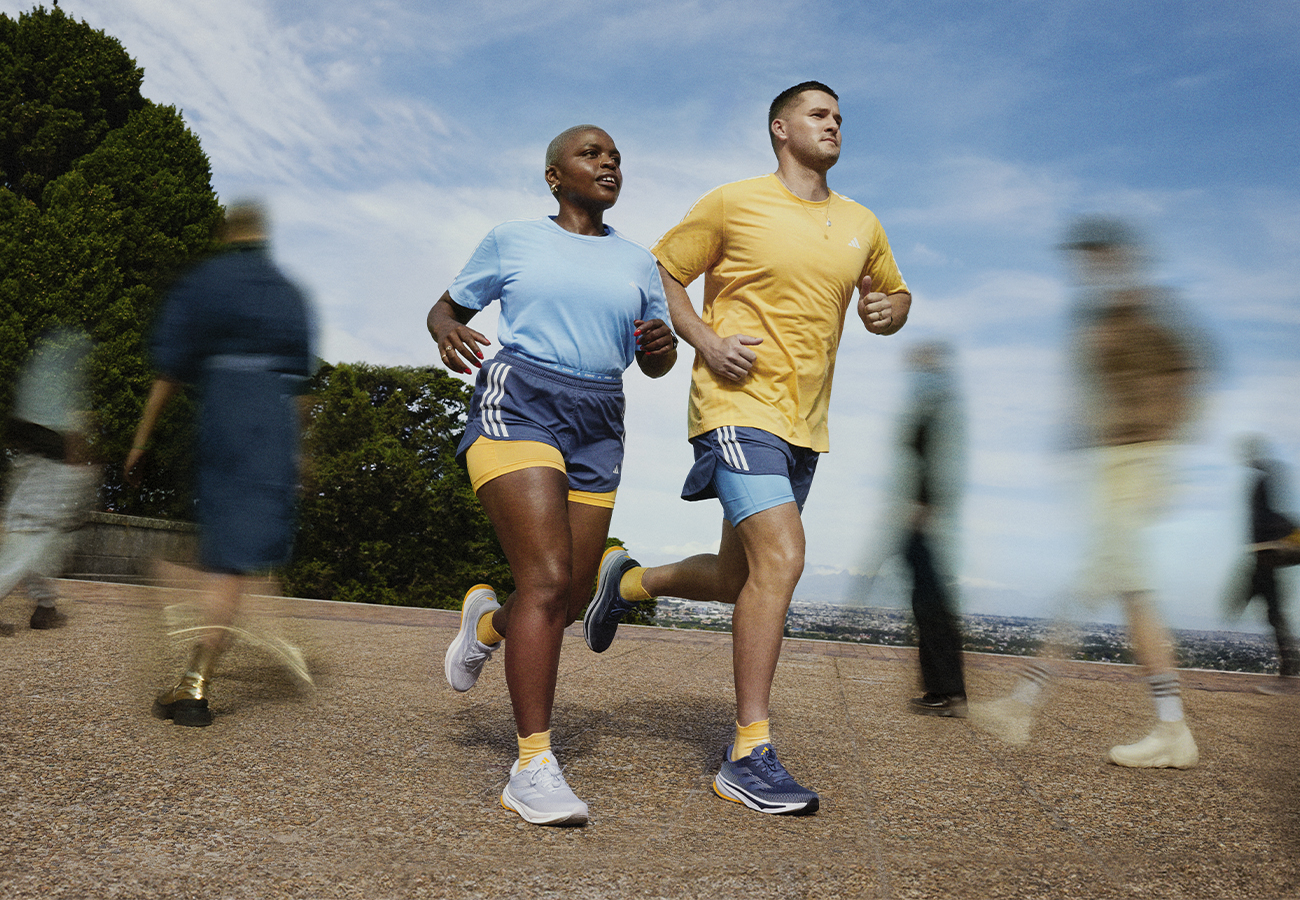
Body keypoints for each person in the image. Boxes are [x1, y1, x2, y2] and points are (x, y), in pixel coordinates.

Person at [582, 82, 911, 815]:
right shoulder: (734, 202)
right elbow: (661, 271)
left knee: (741, 575)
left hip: (806, 427)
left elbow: (892, 297)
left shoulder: (863, 223)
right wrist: (704, 340)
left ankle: (626, 583)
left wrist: (889, 312)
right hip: (736, 409)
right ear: (779, 128)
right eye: (818, 113)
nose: (833, 123)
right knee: (783, 557)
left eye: (837, 116)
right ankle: (748, 752)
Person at [429, 125, 676, 827]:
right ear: (553, 175)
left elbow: (654, 360)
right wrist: (445, 329)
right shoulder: (512, 238)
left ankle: (486, 628)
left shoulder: (638, 262)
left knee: (565, 596)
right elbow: (447, 306)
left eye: (616, 157)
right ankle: (532, 766)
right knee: (543, 579)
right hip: (522, 399)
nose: (608, 163)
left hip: (601, 417)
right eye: (591, 154)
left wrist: (661, 348)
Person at [974, 217, 1205, 768]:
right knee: (1120, 590)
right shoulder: (1101, 319)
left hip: (1136, 463)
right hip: (1116, 464)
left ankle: (1032, 705)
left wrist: (1160, 457)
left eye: (1094, 256)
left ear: (1117, 256)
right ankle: (1163, 727)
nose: (1086, 267)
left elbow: (1189, 374)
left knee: (1111, 587)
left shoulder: (1146, 314)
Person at [125, 202, 316, 728]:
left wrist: (141, 440)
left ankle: (192, 677)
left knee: (221, 555)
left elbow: (169, 371)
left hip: (225, 411)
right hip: (272, 418)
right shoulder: (289, 291)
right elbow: (301, 385)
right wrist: (298, 454)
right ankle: (196, 676)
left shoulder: (203, 281)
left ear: (227, 232)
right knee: (235, 557)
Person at [0, 329, 101, 635]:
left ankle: (46, 607)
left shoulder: (42, 382)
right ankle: (45, 607)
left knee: (34, 543)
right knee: (30, 544)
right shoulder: (59, 390)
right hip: (49, 470)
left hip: (36, 467)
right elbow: (72, 441)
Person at [892, 342, 967, 717]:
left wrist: (925, 512)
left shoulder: (939, 407)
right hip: (924, 519)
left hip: (925, 523)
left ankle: (947, 692)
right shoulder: (935, 403)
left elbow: (938, 468)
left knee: (931, 607)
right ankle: (946, 690)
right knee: (930, 607)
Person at [1227, 435, 1300, 693]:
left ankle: (1289, 670)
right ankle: (1288, 669)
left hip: (1265, 555)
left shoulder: (1262, 480)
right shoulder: (1262, 479)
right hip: (1262, 555)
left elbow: (1266, 516)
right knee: (1273, 613)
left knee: (1273, 612)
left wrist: (1284, 534)